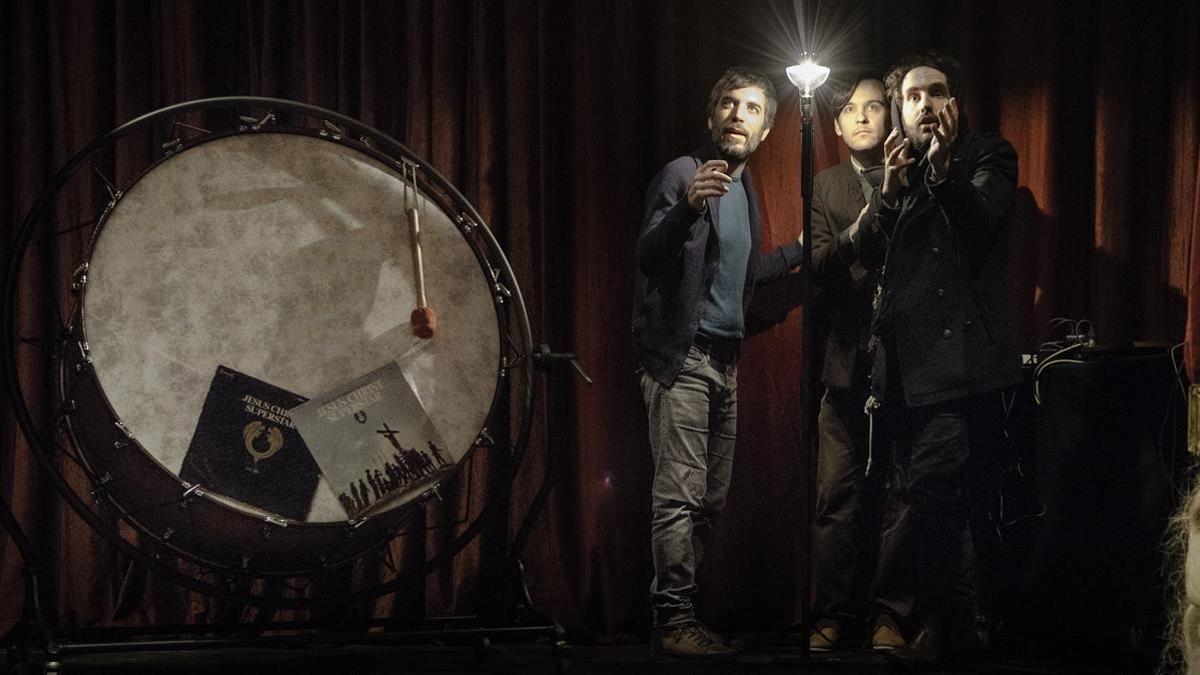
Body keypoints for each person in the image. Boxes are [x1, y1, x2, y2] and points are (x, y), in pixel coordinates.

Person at [834, 51, 1020, 666]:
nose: (925, 105)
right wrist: (887, 195)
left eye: (936, 93)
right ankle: (947, 625)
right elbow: (856, 255)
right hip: (900, 374)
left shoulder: (986, 155)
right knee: (917, 498)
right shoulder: (898, 173)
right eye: (913, 97)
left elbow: (983, 220)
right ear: (900, 111)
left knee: (943, 497)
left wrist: (942, 177)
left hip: (961, 368)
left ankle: (950, 626)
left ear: (955, 105)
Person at [633, 66, 804, 660]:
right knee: (678, 496)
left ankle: (682, 616)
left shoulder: (744, 187)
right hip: (682, 360)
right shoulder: (686, 174)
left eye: (752, 108)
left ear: (762, 131)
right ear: (711, 117)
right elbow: (648, 255)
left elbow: (742, 275)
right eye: (728, 104)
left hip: (726, 364)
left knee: (708, 501)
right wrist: (683, 209)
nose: (738, 114)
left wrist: (807, 251)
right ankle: (673, 620)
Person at [806, 73, 908, 653]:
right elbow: (820, 261)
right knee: (835, 495)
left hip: (905, 363)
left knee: (902, 494)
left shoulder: (916, 177)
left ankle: (890, 614)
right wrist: (862, 230)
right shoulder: (824, 185)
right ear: (837, 123)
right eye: (851, 110)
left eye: (875, 107)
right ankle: (831, 614)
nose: (864, 117)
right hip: (845, 361)